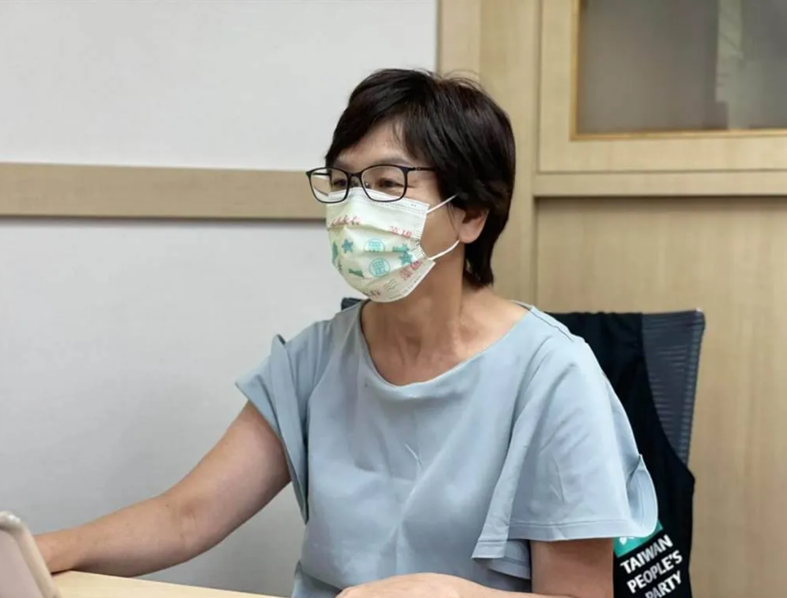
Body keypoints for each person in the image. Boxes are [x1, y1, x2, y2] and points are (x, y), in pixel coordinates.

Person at [36, 69, 656, 598]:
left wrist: (452, 593)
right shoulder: (315, 357)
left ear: (470, 214)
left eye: (388, 184)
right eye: (342, 182)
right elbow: (185, 516)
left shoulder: (554, 376)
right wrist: (38, 552)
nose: (355, 209)